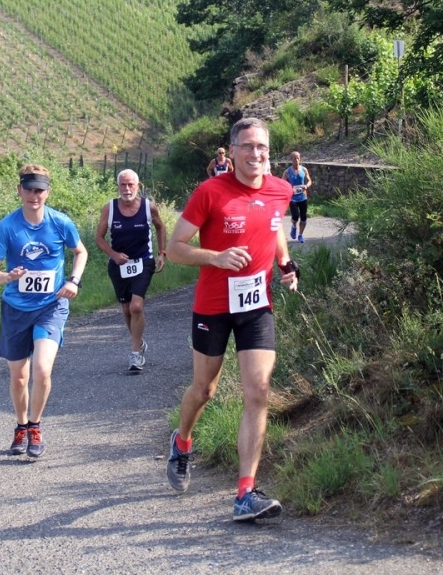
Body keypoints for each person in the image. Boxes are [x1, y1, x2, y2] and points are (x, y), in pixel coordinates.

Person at [165, 117, 299, 521]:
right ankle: (182, 441)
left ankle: (245, 493)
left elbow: (274, 227)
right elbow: (174, 249)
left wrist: (285, 262)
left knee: (258, 390)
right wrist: (216, 257)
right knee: (204, 390)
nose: (255, 153)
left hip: (256, 305)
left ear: (268, 152)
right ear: (233, 151)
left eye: (262, 147)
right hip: (213, 305)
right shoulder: (210, 192)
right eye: (247, 147)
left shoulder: (282, 189)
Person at [0, 164, 88, 458]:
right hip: (16, 308)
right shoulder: (8, 226)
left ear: (47, 192)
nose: (34, 196)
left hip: (51, 307)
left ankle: (35, 426)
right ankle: (20, 426)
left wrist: (73, 280)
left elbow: (81, 251)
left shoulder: (59, 222)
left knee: (42, 369)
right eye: (28, 190)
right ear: (19, 191)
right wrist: (6, 277)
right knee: (19, 376)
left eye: (39, 190)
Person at [94, 169, 167, 372]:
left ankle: (135, 354)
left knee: (136, 306)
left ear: (138, 186)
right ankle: (139, 342)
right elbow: (99, 238)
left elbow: (161, 227)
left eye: (131, 185)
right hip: (119, 265)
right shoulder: (109, 209)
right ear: (118, 187)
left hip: (143, 262)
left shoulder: (148, 207)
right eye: (123, 185)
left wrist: (162, 252)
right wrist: (113, 254)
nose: (127, 189)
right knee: (126, 309)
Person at [282, 151, 313, 243]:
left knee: (303, 217)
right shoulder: (287, 172)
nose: (296, 160)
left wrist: (306, 186)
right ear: (291, 160)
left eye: (298, 158)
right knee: (295, 216)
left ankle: (300, 235)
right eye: (294, 158)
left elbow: (309, 181)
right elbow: (282, 183)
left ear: (300, 159)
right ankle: (294, 227)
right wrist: (289, 188)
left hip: (303, 197)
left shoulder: (304, 170)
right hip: (293, 197)